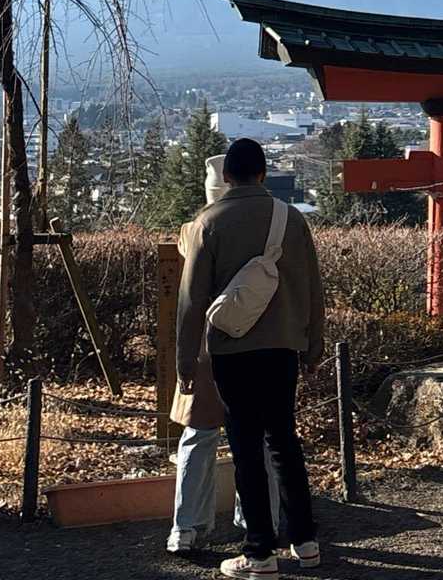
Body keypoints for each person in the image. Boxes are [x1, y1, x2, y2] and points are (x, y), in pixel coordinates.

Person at [177, 137, 325, 578]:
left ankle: (260, 552)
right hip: (283, 346)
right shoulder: (290, 219)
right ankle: (305, 540)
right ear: (263, 173)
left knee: (245, 447)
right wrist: (313, 346)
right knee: (283, 441)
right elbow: (312, 286)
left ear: (226, 176)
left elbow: (191, 301)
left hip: (232, 349)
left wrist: (186, 362)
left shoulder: (208, 223)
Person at [167, 156, 282, 554]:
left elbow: (189, 297)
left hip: (208, 348)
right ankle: (260, 520)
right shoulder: (275, 223)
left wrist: (183, 360)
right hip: (263, 343)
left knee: (198, 435)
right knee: (260, 437)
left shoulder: (197, 228)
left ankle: (187, 527)